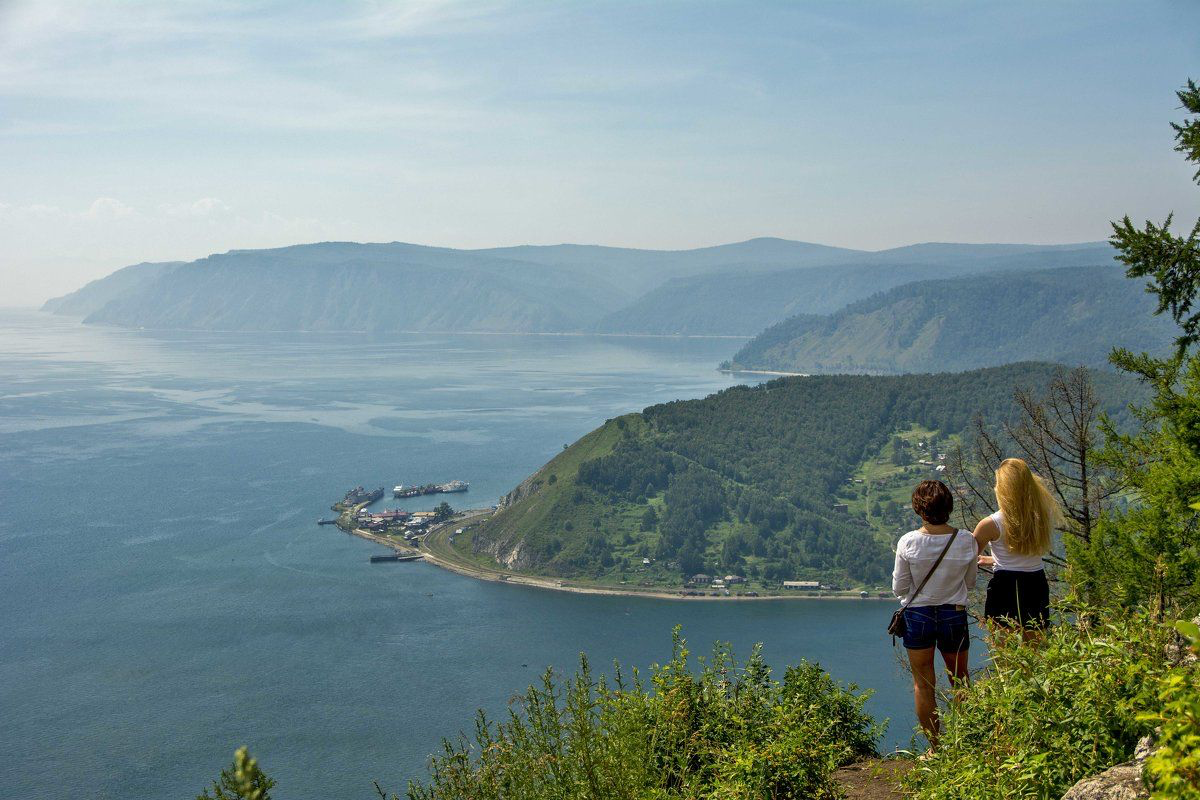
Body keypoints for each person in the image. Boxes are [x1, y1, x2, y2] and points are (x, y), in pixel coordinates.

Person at [893, 479, 978, 751]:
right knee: (960, 680)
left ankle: (935, 748)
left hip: (918, 617)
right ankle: (966, 743)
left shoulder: (908, 541)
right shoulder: (966, 540)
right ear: (949, 506)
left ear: (919, 509)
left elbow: (900, 588)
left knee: (924, 684)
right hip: (954, 614)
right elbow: (971, 582)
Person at [972, 457, 1058, 636]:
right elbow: (1024, 553)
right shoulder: (1043, 515)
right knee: (1035, 651)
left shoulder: (990, 524)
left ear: (1002, 488)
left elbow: (967, 559)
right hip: (1037, 583)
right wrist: (995, 560)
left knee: (1005, 652)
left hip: (1006, 587)